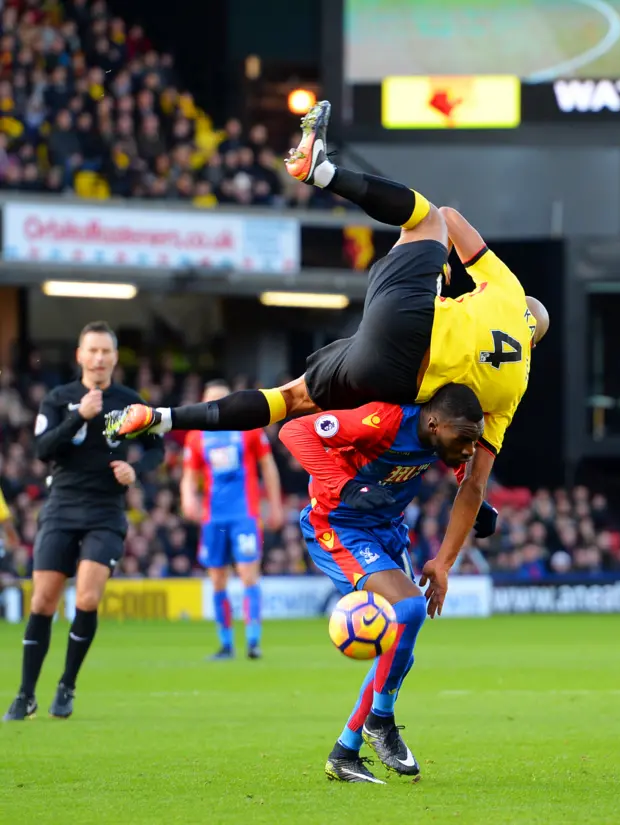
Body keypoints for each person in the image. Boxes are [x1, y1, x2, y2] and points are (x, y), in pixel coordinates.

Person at [105, 99, 548, 567]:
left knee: (427, 220)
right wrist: (457, 539)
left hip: (408, 321)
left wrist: (444, 274)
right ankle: (162, 418)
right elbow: (473, 476)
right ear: (535, 341)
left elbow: (452, 218)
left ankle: (324, 174)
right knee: (289, 399)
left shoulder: (506, 289)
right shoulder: (515, 387)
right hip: (393, 379)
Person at [278, 383, 485, 783]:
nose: (470, 449)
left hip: (388, 529)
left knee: (399, 654)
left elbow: (463, 465)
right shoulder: (382, 420)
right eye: (463, 439)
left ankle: (346, 750)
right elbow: (295, 431)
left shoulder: (442, 437)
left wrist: (481, 502)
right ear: (433, 422)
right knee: (408, 608)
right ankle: (381, 719)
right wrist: (346, 486)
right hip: (341, 527)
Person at [3, 322, 164, 722]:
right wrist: (79, 417)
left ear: (114, 356)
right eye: (91, 351)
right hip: (61, 506)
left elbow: (157, 449)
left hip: (105, 511)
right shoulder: (59, 399)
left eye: (106, 351)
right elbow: (42, 449)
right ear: (80, 355)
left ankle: (67, 685)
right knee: (42, 601)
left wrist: (135, 469)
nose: (99, 358)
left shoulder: (130, 401)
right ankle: (25, 694)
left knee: (87, 599)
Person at [180, 381, 283, 660]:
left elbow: (268, 467)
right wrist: (188, 497)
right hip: (213, 518)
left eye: (220, 400)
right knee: (217, 580)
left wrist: (274, 505)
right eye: (209, 400)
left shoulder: (248, 429)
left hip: (244, 515)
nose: (214, 405)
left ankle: (253, 641)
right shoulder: (196, 436)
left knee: (249, 576)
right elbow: (189, 475)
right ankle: (226, 644)